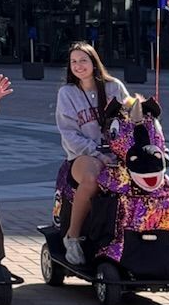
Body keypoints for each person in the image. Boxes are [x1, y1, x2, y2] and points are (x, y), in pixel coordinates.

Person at [55, 41, 134, 266]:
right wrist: (97, 153)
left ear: (94, 62)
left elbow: (132, 118)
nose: (78, 66)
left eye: (83, 60)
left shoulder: (114, 87)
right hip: (83, 155)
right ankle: (72, 237)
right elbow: (68, 133)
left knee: (157, 183)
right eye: (73, 62)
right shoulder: (67, 93)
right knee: (92, 178)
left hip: (118, 154)